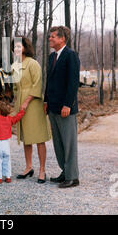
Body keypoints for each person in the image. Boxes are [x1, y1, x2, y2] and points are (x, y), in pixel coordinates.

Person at [44, 26, 80, 188]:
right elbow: (49, 81)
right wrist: (46, 101)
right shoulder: (52, 57)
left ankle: (73, 177)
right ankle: (65, 172)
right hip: (53, 107)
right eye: (50, 37)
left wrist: (68, 104)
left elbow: (73, 83)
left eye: (52, 37)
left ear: (62, 39)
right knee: (58, 143)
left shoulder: (70, 56)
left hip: (66, 108)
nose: (50, 39)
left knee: (69, 143)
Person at [11, 36, 51, 184]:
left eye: (19, 47)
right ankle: (29, 167)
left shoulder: (33, 64)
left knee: (39, 138)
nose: (16, 49)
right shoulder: (14, 66)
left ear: (25, 48)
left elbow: (38, 85)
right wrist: (17, 101)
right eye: (14, 47)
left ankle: (42, 170)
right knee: (26, 138)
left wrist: (27, 101)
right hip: (20, 102)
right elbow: (15, 87)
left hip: (33, 103)